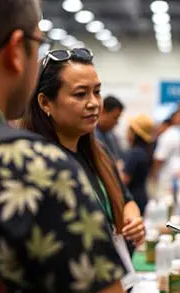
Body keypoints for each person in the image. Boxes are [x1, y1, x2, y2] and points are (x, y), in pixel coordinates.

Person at [0, 1, 126, 293]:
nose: (94, 102)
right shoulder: (38, 169)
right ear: (16, 50)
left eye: (97, 92)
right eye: (39, 44)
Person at [21, 49, 146, 249]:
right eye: (80, 94)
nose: (94, 104)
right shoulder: (35, 165)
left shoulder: (99, 153)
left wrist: (132, 218)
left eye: (97, 92)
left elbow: (126, 200)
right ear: (45, 102)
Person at [120, 113, 155, 215]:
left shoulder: (135, 153)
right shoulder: (145, 151)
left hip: (133, 199)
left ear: (135, 133)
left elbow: (124, 179)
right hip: (141, 196)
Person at [95, 95, 125, 162]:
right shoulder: (89, 135)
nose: (117, 122)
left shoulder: (111, 136)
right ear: (103, 111)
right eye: (115, 117)